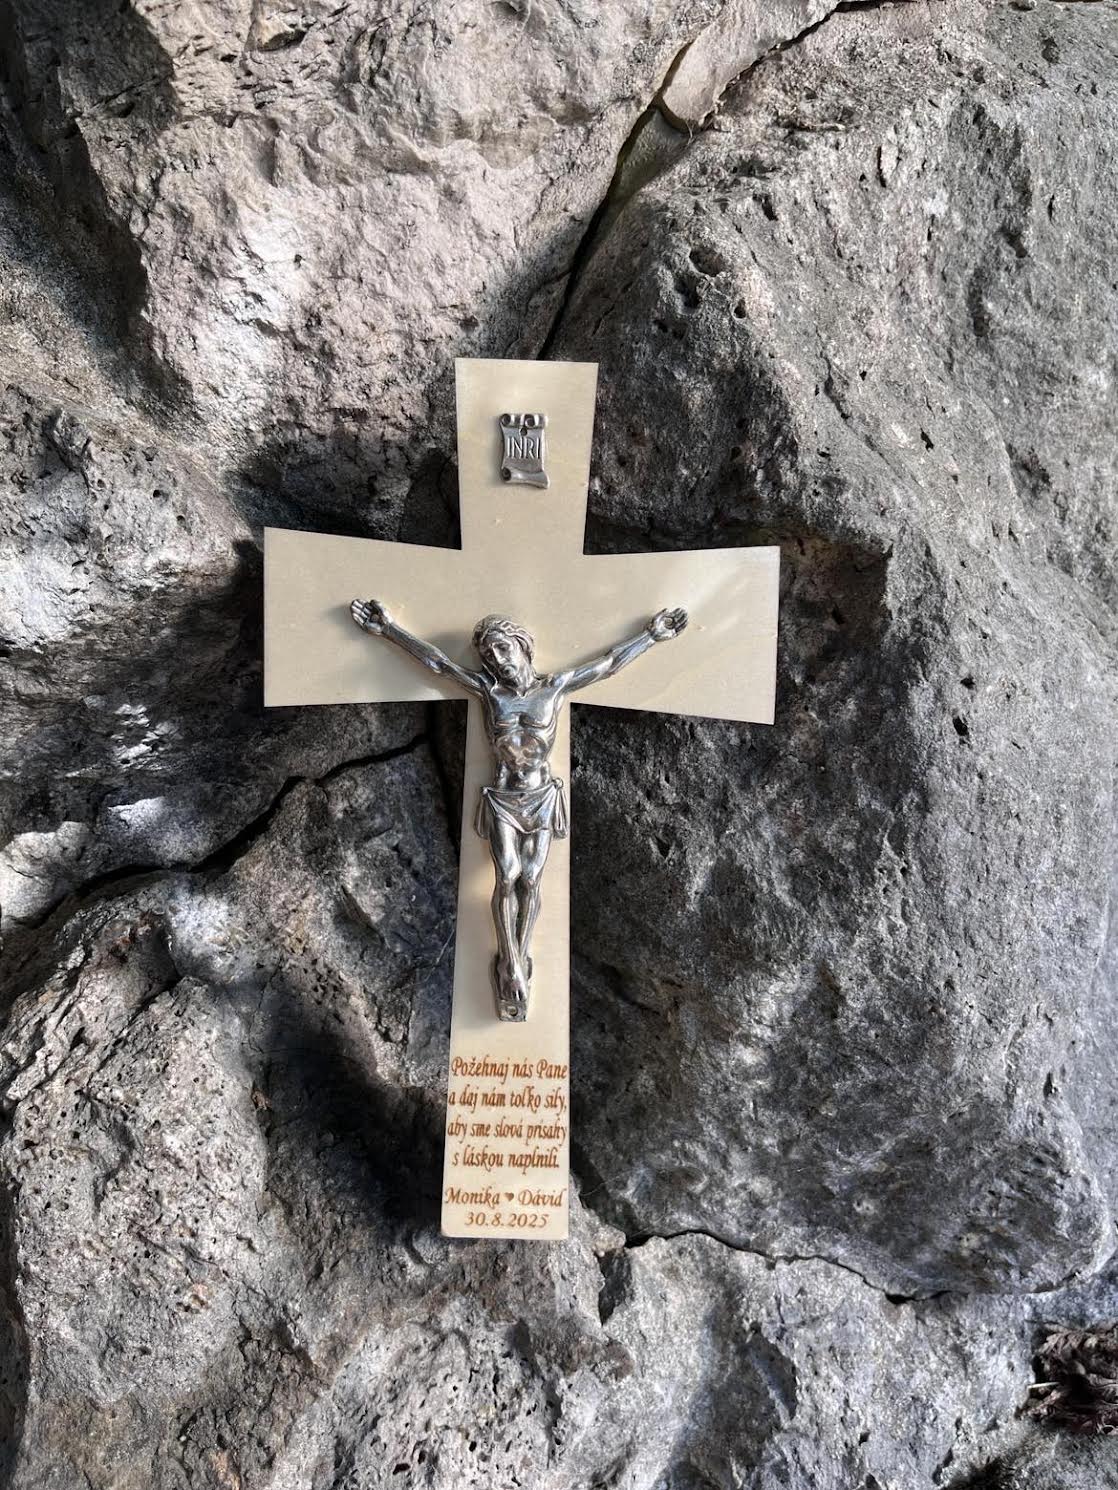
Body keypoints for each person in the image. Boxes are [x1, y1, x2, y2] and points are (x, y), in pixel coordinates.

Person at [350, 598, 688, 1020]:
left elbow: (609, 664)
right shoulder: (488, 691)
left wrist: (651, 636)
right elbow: (439, 665)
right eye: (488, 654)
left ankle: (520, 959)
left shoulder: (555, 686)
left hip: (542, 795)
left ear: (522, 645)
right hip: (504, 797)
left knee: (531, 878)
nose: (497, 659)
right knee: (507, 875)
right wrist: (389, 630)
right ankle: (510, 962)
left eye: (502, 648)